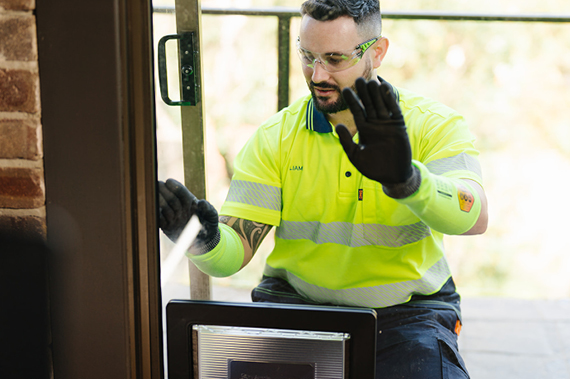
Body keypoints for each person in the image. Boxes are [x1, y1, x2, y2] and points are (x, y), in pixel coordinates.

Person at [159, 0, 488, 377]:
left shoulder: (435, 126)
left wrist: (408, 182)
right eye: (307, 55)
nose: (317, 75)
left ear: (376, 52)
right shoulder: (275, 138)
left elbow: (474, 216)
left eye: (334, 59)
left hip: (407, 317)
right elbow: (234, 256)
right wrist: (202, 240)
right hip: (296, 308)